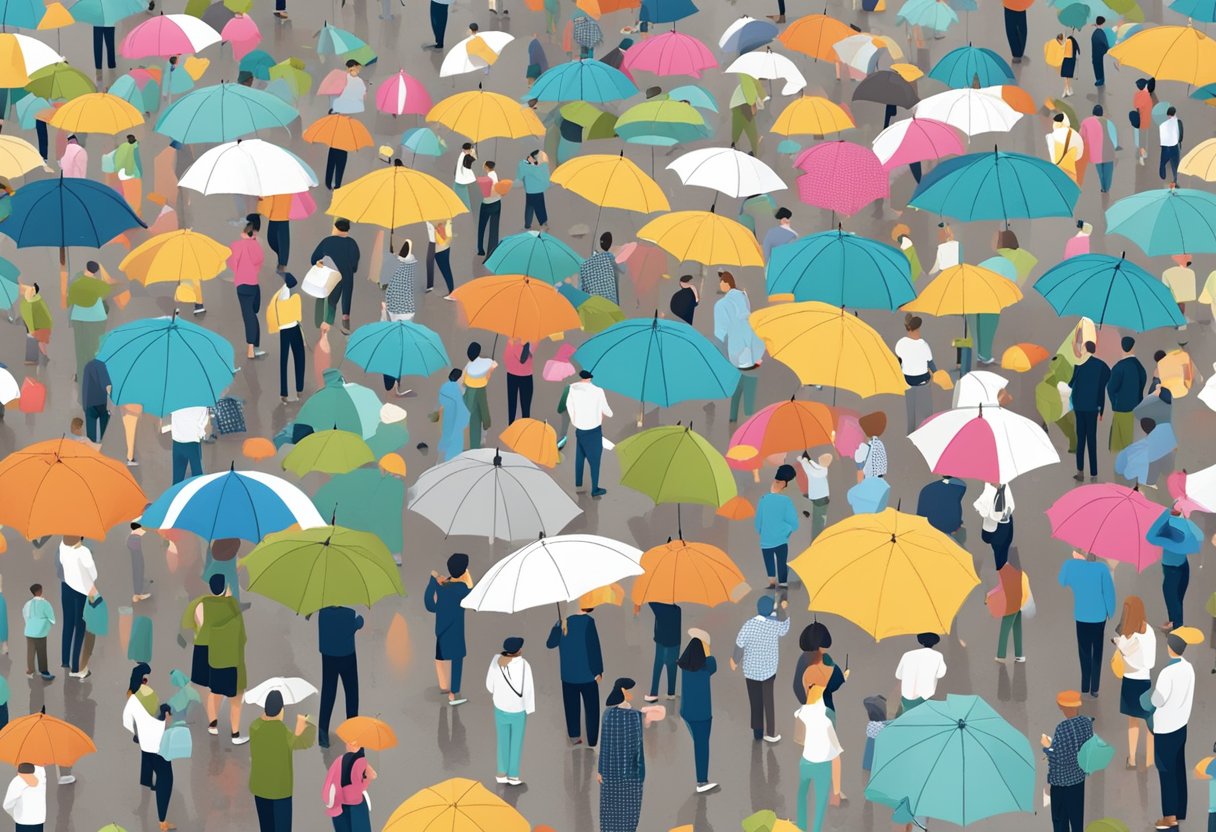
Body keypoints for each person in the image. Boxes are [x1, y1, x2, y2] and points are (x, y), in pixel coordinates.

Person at [249, 689, 316, 832]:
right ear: (281, 711)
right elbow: (304, 742)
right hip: (280, 790)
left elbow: (261, 723)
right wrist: (308, 720)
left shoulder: (254, 727)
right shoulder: (283, 732)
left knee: (266, 827)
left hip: (260, 788)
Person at [1150, 629, 1196, 831]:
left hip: (1165, 730)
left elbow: (1157, 700)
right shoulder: (1189, 668)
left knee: (1166, 772)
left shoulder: (1167, 673)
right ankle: (1180, 810)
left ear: (1170, 648)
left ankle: (1169, 818)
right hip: (1181, 726)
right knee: (1179, 768)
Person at [122, 664, 175, 831]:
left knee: (147, 767)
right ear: (143, 681)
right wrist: (166, 712)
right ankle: (163, 821)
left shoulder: (131, 697)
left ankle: (144, 802)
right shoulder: (148, 694)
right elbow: (157, 716)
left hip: (144, 742)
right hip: (156, 743)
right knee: (166, 778)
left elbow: (129, 721)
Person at [732, 596, 790, 742]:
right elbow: (784, 627)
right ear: (771, 611)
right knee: (768, 701)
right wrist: (782, 609)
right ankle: (770, 733)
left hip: (751, 672)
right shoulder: (774, 625)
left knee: (755, 701)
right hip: (769, 671)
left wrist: (735, 660)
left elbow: (740, 644)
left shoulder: (749, 625)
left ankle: (757, 733)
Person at [1059, 550, 1116, 697]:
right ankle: (1094, 688)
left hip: (1082, 615)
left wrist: (1073, 561)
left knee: (1084, 651)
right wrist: (1110, 611)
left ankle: (1084, 687)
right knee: (1097, 651)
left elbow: (1062, 580)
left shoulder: (1072, 566)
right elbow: (1109, 592)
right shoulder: (1102, 568)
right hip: (1099, 616)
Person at [547, 603, 603, 748]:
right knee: (592, 708)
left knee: (571, 706)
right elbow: (593, 647)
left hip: (568, 675)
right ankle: (592, 739)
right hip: (588, 675)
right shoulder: (589, 622)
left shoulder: (563, 623)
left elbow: (550, 644)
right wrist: (598, 671)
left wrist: (557, 626)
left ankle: (574, 736)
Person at [714, 272, 765, 422]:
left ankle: (733, 420)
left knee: (736, 395)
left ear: (726, 283)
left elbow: (720, 334)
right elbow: (759, 346)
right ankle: (747, 423)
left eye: (721, 281)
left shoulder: (723, 306)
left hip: (736, 361)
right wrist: (757, 361)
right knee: (749, 400)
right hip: (751, 367)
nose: (720, 284)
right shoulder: (750, 320)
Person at [1113, 595, 1157, 769]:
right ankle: (1150, 760)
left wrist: (1127, 654)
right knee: (1148, 720)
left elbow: (1127, 657)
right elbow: (1151, 663)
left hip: (1129, 682)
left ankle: (1132, 759)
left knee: (1133, 721)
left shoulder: (1128, 634)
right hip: (1144, 681)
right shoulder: (1150, 631)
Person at [484, 636, 534, 786]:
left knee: (502, 740)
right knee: (516, 742)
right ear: (519, 650)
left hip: (500, 708)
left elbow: (489, 686)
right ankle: (513, 776)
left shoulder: (495, 661)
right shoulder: (524, 665)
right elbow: (528, 689)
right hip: (518, 710)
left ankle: (501, 773)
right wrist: (529, 708)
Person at [425, 554, 473, 707]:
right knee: (457, 660)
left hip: (441, 630)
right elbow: (472, 597)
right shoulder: (463, 589)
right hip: (456, 631)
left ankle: (444, 686)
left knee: (441, 656)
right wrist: (467, 577)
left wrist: (433, 581)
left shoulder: (442, 586)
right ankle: (454, 694)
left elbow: (430, 606)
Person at [597, 678, 645, 831]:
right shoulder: (635, 716)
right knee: (630, 812)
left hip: (610, 773)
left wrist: (600, 771)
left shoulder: (608, 715)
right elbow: (639, 748)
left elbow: (604, 745)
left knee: (609, 811)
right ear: (624, 691)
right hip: (631, 774)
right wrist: (641, 773)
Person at [1042, 690, 1093, 832]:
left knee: (1060, 819)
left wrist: (1047, 747)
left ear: (1062, 707)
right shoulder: (1086, 723)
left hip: (1061, 782)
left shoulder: (1062, 728)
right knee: (1077, 819)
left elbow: (1057, 757)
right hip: (1079, 779)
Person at [796, 683, 842, 832]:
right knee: (820, 804)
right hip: (822, 766)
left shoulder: (803, 713)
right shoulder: (826, 723)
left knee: (802, 796)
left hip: (805, 762)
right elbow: (836, 757)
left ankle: (801, 827)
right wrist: (836, 791)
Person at [1147, 508, 1202, 629]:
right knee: (1174, 598)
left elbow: (1194, 539)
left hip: (1181, 565)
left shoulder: (1180, 521)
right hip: (1174, 566)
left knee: (1176, 599)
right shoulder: (1170, 522)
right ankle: (1176, 626)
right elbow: (1150, 537)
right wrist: (1167, 515)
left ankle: (1176, 625)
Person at [316, 606, 362, 749]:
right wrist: (359, 619)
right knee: (352, 694)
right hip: (347, 657)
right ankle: (352, 733)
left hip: (328, 658)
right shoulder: (349, 614)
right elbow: (358, 624)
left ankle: (323, 734)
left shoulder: (322, 614)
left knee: (328, 693)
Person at [678, 632, 717, 794]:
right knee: (702, 746)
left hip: (686, 711)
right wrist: (707, 649)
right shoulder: (707, 665)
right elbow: (713, 664)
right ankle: (702, 781)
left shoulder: (685, 665)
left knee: (698, 742)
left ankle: (702, 779)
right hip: (702, 715)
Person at [566, 369, 613, 497]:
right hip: (594, 431)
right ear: (590, 378)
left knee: (580, 457)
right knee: (595, 461)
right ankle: (595, 489)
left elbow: (569, 406)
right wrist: (604, 413)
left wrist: (575, 420)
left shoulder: (572, 389)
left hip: (580, 430)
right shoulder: (598, 391)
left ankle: (579, 484)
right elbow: (608, 412)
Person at [311, 218, 360, 334]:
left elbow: (313, 259)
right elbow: (354, 265)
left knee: (331, 300)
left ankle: (328, 322)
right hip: (347, 275)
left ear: (336, 228)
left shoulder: (327, 241)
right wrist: (350, 268)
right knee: (346, 297)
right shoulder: (352, 243)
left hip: (332, 275)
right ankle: (346, 321)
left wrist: (319, 263)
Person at [1070, 340, 1110, 481]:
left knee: (1080, 439)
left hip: (1079, 407)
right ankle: (1094, 472)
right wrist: (1101, 409)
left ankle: (1080, 471)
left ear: (1085, 349)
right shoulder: (1101, 366)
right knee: (1092, 438)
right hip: (1093, 407)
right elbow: (1103, 386)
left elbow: (1071, 383)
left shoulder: (1079, 364)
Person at [755, 465, 799, 589]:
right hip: (781, 539)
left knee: (769, 560)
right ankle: (783, 582)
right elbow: (794, 524)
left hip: (766, 539)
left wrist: (762, 532)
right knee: (781, 561)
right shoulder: (786, 501)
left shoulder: (763, 499)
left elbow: (758, 522)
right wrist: (786, 531)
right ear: (785, 485)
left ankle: (772, 582)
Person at [58, 536, 96, 677]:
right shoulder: (84, 551)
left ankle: (65, 660)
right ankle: (76, 667)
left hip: (65, 586)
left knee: (67, 623)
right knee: (80, 625)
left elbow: (59, 569)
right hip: (80, 588)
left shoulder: (61, 548)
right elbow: (93, 574)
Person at [230, 214, 266, 361]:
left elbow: (232, 263)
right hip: (253, 283)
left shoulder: (236, 246)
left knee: (249, 314)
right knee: (252, 313)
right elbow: (259, 260)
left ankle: (253, 345)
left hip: (241, 284)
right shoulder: (256, 245)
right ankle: (253, 346)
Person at [321, 737, 376, 831]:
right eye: (350, 743)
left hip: (345, 805)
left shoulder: (342, 760)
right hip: (351, 804)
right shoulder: (359, 760)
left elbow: (329, 784)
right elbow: (372, 775)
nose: (351, 745)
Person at [266, 272, 305, 404]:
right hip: (292, 327)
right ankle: (297, 389)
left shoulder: (280, 292)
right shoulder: (285, 291)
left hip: (285, 328)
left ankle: (285, 392)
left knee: (285, 359)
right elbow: (293, 282)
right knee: (298, 357)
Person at [67, 262, 108, 380]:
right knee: (94, 348)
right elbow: (104, 295)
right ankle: (92, 375)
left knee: (81, 349)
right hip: (97, 318)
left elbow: (70, 298)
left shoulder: (77, 280)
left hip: (80, 317)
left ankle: (81, 374)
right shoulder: (99, 284)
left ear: (86, 268)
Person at [895, 314, 936, 433]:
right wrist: (936, 373)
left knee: (910, 408)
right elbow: (930, 363)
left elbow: (899, 360)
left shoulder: (900, 343)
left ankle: (911, 431)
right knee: (926, 408)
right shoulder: (923, 344)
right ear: (916, 330)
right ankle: (926, 429)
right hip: (923, 380)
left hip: (907, 380)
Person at [1107, 336, 1146, 452]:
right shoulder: (1138, 365)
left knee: (1121, 437)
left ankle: (1123, 456)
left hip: (1121, 407)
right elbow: (1143, 381)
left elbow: (1110, 388)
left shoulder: (1118, 367)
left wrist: (1114, 403)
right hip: (1135, 405)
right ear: (1133, 348)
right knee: (1128, 433)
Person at [1115, 417, 1176, 487]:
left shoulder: (1132, 449)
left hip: (1131, 482)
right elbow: (1168, 473)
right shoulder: (1164, 451)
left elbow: (1119, 469)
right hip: (1148, 484)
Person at [991, 549, 1028, 662]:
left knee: (1005, 629)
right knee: (1017, 628)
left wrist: (989, 595)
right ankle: (1019, 655)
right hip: (1019, 602)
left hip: (1010, 604)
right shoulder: (1019, 571)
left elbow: (1000, 587)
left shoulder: (1005, 570)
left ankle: (1001, 655)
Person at [895, 632, 947, 713]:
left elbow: (898, 675)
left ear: (921, 641)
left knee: (907, 717)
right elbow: (941, 674)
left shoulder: (907, 655)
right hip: (925, 696)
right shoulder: (938, 655)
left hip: (906, 697)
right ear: (934, 643)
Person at [640, 601, 680, 702]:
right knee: (672, 667)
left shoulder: (661, 608)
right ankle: (671, 693)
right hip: (675, 644)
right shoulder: (677, 609)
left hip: (663, 643)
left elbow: (651, 601)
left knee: (658, 667)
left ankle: (653, 694)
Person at [462, 342, 496, 449]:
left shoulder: (467, 371)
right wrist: (486, 421)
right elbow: (483, 404)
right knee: (475, 446)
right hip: (474, 419)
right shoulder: (479, 385)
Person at [974, 481, 1014, 570]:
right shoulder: (988, 489)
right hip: (993, 525)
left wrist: (1007, 513)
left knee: (1004, 546)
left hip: (1005, 523)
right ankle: (1001, 568)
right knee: (998, 547)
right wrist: (986, 511)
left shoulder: (1005, 487)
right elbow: (979, 504)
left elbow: (1011, 505)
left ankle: (1002, 568)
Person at [917, 475, 967, 544]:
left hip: (925, 531)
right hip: (946, 533)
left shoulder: (927, 489)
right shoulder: (959, 487)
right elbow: (954, 521)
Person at [166, 406, 209, 484]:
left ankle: (176, 491)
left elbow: (170, 412)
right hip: (193, 441)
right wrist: (201, 433)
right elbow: (204, 421)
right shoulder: (201, 404)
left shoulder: (175, 402)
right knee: (197, 476)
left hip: (177, 441)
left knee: (177, 477)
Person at [1079, 106, 1118, 193]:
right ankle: (1106, 188)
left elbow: (1081, 136)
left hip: (1095, 152)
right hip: (1109, 150)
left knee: (1100, 172)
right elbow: (1114, 138)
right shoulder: (1109, 123)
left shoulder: (1086, 122)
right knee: (1108, 171)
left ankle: (1103, 186)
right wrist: (1115, 147)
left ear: (1093, 112)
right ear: (1102, 113)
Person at [436, 369, 470, 462]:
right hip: (455, 426)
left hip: (447, 425)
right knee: (453, 452)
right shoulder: (457, 390)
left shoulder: (446, 387)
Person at [22, 584, 54, 682]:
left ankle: (30, 670)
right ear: (40, 591)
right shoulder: (45, 604)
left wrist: (30, 624)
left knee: (30, 651)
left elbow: (25, 615)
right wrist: (47, 625)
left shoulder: (28, 604)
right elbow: (51, 618)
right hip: (40, 632)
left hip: (29, 631)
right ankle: (44, 672)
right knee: (42, 652)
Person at [798, 452, 833, 541]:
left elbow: (806, 466)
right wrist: (808, 459)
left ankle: (816, 540)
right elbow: (813, 464)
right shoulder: (823, 469)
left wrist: (803, 459)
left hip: (818, 497)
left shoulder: (813, 471)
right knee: (820, 518)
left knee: (818, 521)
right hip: (823, 496)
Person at [579, 233, 620, 304]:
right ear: (610, 244)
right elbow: (615, 286)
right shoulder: (611, 261)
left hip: (592, 304)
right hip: (609, 303)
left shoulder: (585, 265)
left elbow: (582, 288)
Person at [2, 763, 45, 832]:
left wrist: (15, 814)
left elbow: (7, 805)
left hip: (23, 821)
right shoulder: (41, 781)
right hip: (38, 821)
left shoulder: (17, 781)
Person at [257, 193, 292, 273]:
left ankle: (282, 263)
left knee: (280, 238)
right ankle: (282, 262)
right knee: (272, 238)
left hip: (282, 209)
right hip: (274, 210)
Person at [80, 356, 111, 444]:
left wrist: (84, 405)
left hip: (89, 402)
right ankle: (103, 447)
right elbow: (106, 385)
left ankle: (92, 449)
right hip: (102, 402)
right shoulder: (103, 365)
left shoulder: (88, 366)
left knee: (90, 438)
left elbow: (85, 386)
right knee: (104, 436)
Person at [517, 150, 550, 230]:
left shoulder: (525, 165)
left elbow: (521, 176)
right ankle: (543, 224)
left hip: (530, 191)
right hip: (537, 191)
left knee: (530, 207)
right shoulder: (537, 167)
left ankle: (527, 224)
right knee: (539, 208)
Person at [19, 284, 51, 365]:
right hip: (44, 324)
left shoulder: (27, 304)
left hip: (39, 326)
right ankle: (44, 357)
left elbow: (29, 318)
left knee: (38, 341)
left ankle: (40, 357)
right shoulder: (38, 300)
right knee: (41, 341)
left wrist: (31, 330)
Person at [1047, 113, 1084, 182]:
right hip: (1071, 170)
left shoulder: (1054, 135)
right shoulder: (1076, 134)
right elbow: (1079, 154)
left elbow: (1052, 154)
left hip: (1057, 169)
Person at [476, 161, 502, 257]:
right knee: (494, 228)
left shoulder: (486, 179)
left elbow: (484, 192)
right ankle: (492, 250)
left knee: (482, 227)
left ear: (486, 167)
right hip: (497, 203)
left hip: (487, 204)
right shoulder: (496, 176)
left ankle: (480, 249)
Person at [504, 338, 534, 423]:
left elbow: (524, 357)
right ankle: (512, 428)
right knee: (513, 408)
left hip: (523, 375)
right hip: (515, 374)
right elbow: (522, 358)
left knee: (524, 410)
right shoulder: (512, 338)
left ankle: (521, 428)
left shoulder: (532, 339)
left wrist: (527, 344)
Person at [1163, 255, 1196, 328]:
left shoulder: (1168, 272)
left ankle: (1178, 322)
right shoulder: (1188, 272)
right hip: (1178, 295)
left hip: (1174, 295)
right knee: (1180, 303)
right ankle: (1179, 322)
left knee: (1179, 304)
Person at [855, 411, 888, 480]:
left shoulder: (864, 447)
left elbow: (860, 472)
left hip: (869, 481)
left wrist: (860, 485)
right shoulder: (880, 445)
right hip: (881, 482)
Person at [114, 134, 142, 212]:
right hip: (133, 175)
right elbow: (136, 162)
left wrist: (118, 169)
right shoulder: (136, 147)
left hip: (124, 175)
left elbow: (118, 160)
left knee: (128, 195)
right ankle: (135, 211)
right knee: (135, 196)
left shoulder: (123, 146)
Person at [427, 218, 455, 297]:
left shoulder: (433, 219)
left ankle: (452, 292)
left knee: (445, 270)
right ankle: (430, 285)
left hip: (439, 248)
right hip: (445, 245)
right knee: (445, 269)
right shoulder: (446, 216)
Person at [1131, 77, 1154, 166]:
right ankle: (1141, 156)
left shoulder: (1137, 94)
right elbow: (1150, 108)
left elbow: (1136, 105)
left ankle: (1141, 153)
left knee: (1140, 138)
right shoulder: (1146, 96)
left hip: (1139, 119)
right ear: (1145, 86)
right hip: (1145, 121)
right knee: (1143, 140)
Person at [1159, 106, 1183, 185]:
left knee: (1165, 162)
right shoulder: (1178, 122)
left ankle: (1165, 176)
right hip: (1175, 145)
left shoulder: (1164, 125)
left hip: (1167, 146)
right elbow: (1181, 134)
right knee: (1175, 163)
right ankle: (1175, 180)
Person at [452, 143, 476, 209]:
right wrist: (474, 155)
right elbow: (468, 165)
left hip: (458, 181)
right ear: (468, 150)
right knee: (464, 203)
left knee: (457, 201)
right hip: (463, 183)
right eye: (470, 149)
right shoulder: (466, 157)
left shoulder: (462, 155)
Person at [1058, 33, 1080, 97]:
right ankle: (1067, 89)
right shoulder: (1070, 40)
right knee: (1067, 76)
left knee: (1066, 76)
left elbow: (1063, 50)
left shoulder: (1068, 41)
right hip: (1070, 59)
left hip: (1068, 59)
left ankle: (1067, 90)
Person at [1090, 18, 1108, 86]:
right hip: (1100, 54)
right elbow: (1105, 43)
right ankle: (1100, 80)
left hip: (1095, 53)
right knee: (1100, 67)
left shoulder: (1094, 34)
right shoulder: (1101, 33)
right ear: (1102, 23)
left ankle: (1098, 79)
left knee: (1096, 66)